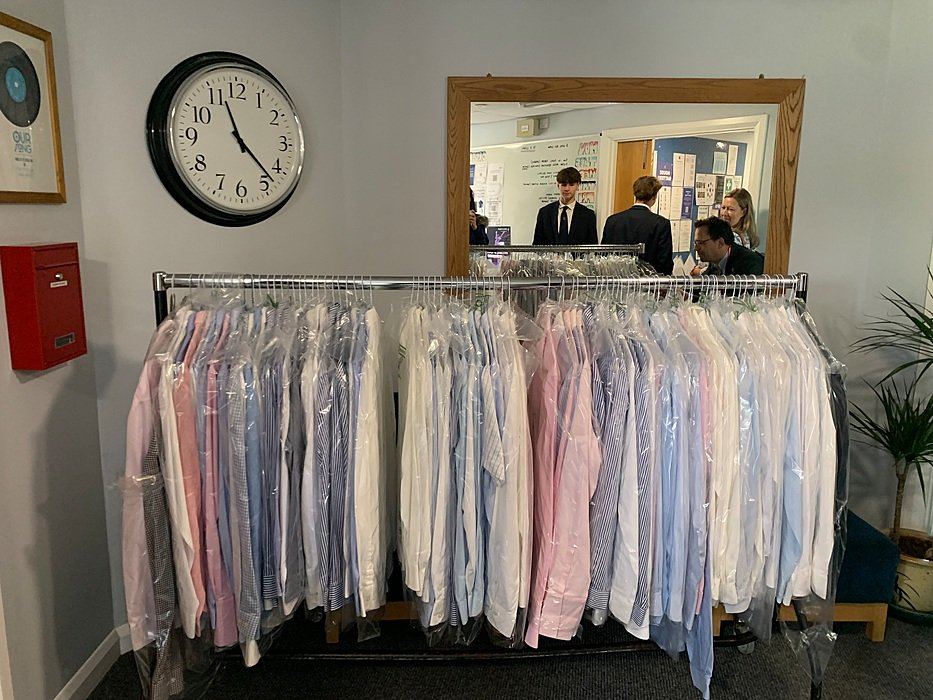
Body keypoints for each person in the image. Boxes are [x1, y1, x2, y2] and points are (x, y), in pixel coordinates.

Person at [601, 175, 673, 274]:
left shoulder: (612, 221)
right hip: (649, 284)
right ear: (654, 197)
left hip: (616, 284)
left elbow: (603, 257)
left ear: (635, 194)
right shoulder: (661, 224)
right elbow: (665, 264)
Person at [532, 166, 598, 246]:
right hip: (549, 258)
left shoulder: (588, 215)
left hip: (577, 258)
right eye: (563, 185)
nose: (567, 189)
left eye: (571, 184)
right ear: (558, 185)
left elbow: (592, 248)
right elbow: (537, 246)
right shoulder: (544, 213)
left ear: (578, 185)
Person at [690, 216, 764, 276]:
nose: (696, 248)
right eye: (695, 243)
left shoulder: (749, 263)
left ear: (720, 243)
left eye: (700, 243)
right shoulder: (714, 262)